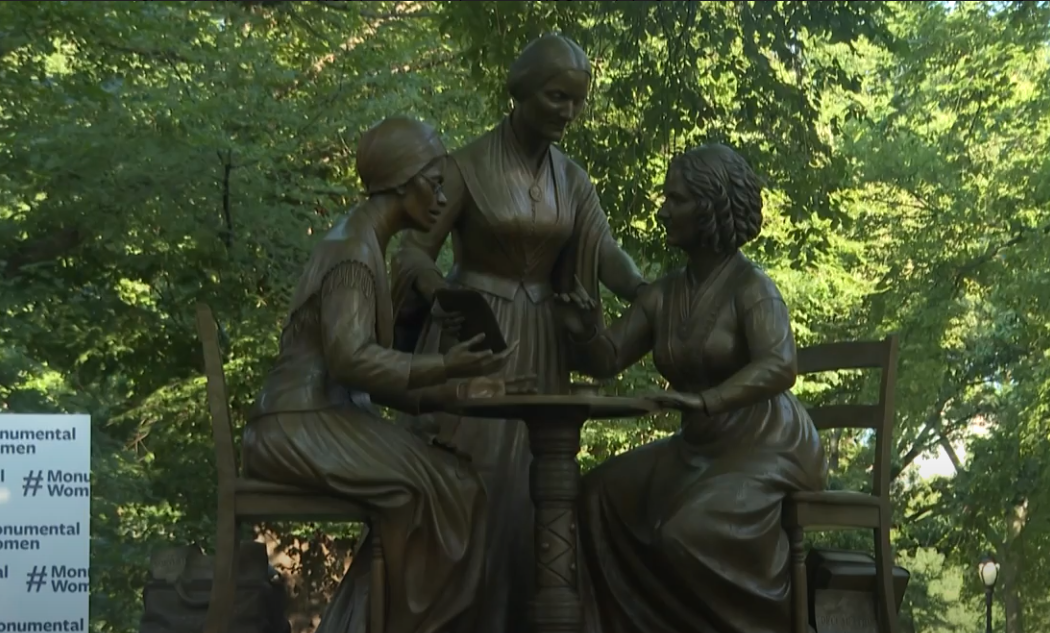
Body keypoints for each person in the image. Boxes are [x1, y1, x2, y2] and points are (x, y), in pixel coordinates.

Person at [388, 34, 647, 632]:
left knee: (536, 493)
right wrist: (439, 292)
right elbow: (412, 252)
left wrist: (643, 292)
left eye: (577, 102)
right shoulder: (465, 165)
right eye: (557, 97)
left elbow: (606, 252)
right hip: (473, 342)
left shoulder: (573, 180)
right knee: (465, 492)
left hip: (542, 341)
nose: (568, 112)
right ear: (523, 90)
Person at [242, 117, 530, 633]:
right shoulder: (352, 252)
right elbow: (351, 360)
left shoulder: (364, 245)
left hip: (324, 416)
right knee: (441, 490)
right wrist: (445, 365)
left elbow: (374, 376)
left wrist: (476, 386)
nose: (442, 198)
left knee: (456, 483)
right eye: (434, 183)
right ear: (402, 183)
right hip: (297, 423)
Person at [556, 143, 828, 633]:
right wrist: (584, 328)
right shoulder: (662, 294)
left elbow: (780, 364)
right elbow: (607, 359)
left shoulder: (753, 288)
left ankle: (771, 624)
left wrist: (705, 400)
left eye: (675, 199)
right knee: (594, 497)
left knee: (687, 533)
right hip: (699, 449)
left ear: (711, 205)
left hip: (766, 445)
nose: (663, 210)